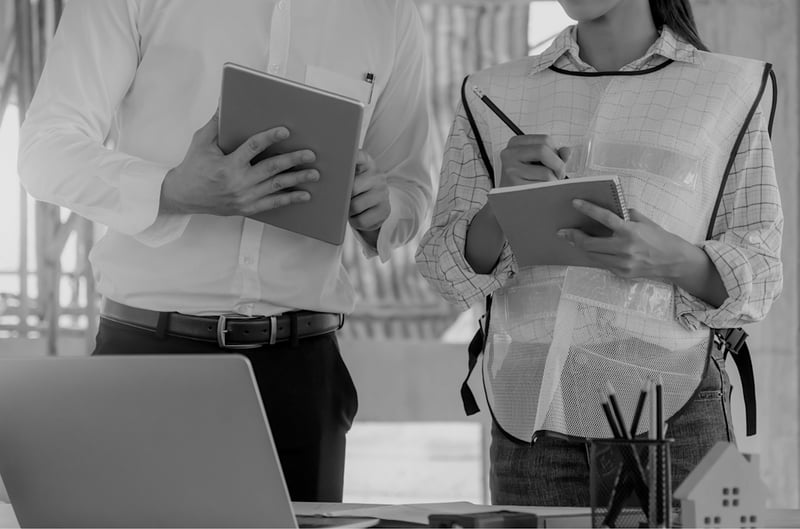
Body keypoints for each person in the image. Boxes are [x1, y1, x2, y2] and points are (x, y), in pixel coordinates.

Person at [18, 0, 432, 502]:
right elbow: (45, 150)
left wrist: (380, 206)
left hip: (303, 375)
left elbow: (409, 186)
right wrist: (171, 189)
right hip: (148, 362)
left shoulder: (387, 13)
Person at [416, 0, 782, 506]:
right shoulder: (489, 93)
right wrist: (500, 208)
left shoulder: (735, 88)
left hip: (672, 409)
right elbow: (442, 269)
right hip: (530, 418)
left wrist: (668, 258)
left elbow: (760, 273)